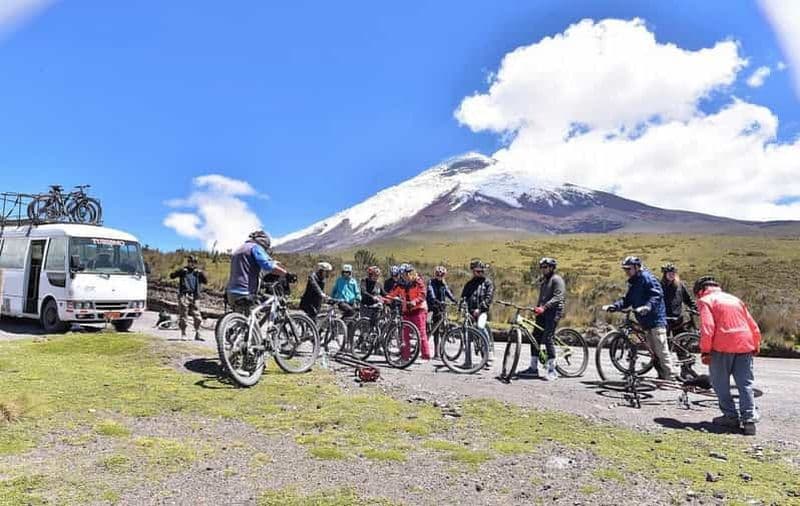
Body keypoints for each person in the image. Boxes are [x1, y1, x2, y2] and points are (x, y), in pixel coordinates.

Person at [694, 275, 761, 436]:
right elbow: (752, 324)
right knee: (745, 384)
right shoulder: (735, 299)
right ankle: (749, 420)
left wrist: (705, 351)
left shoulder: (706, 301)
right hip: (745, 344)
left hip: (721, 347)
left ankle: (730, 417)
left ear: (701, 291)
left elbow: (707, 328)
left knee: (720, 384)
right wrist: (756, 342)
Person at [602, 256, 674, 380]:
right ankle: (661, 376)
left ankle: (670, 377)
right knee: (653, 352)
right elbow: (627, 300)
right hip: (644, 320)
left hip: (655, 318)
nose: (626, 272)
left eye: (629, 269)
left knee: (661, 350)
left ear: (637, 267)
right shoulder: (633, 282)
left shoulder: (647, 278)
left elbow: (657, 295)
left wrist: (647, 306)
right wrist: (614, 306)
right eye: (625, 269)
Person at [518, 257, 565, 381]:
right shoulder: (544, 281)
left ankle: (552, 370)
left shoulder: (557, 280)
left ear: (551, 268)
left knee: (548, 337)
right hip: (543, 311)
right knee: (535, 337)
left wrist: (544, 307)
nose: (543, 270)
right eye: (542, 267)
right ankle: (533, 368)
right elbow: (542, 298)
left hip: (554, 311)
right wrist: (538, 308)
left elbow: (558, 297)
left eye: (545, 267)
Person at [226, 230, 288, 314]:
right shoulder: (255, 248)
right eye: (265, 248)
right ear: (263, 243)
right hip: (245, 292)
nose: (265, 250)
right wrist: (285, 273)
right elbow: (267, 265)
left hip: (231, 292)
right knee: (254, 320)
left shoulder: (239, 249)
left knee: (241, 321)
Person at [387, 264, 432, 360]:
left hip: (419, 309)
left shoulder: (418, 281)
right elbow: (392, 294)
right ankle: (405, 356)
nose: (404, 276)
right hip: (406, 310)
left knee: (421, 333)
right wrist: (385, 300)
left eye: (405, 274)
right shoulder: (400, 284)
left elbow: (423, 294)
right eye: (402, 274)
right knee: (405, 334)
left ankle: (425, 355)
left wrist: (415, 301)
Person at [461, 259, 495, 359]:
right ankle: (468, 360)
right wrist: (462, 306)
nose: (481, 273)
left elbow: (488, 298)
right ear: (473, 271)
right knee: (467, 332)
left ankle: (488, 352)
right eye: (478, 271)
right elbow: (464, 297)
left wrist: (480, 309)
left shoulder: (488, 283)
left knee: (481, 326)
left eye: (482, 271)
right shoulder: (469, 284)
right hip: (470, 312)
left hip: (482, 312)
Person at [169, 255, 207, 340]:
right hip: (184, 295)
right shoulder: (183, 270)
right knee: (183, 315)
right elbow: (171, 276)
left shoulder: (197, 273)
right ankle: (183, 333)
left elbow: (205, 281)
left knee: (197, 316)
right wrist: (180, 271)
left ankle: (198, 333)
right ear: (188, 262)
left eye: (194, 262)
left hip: (195, 296)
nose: (192, 264)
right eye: (190, 262)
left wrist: (202, 274)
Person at [426, 266, 457, 359]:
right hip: (433, 307)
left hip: (441, 308)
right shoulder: (431, 282)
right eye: (438, 274)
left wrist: (455, 300)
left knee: (440, 330)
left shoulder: (443, 283)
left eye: (442, 274)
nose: (440, 276)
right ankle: (435, 352)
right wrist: (435, 300)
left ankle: (440, 351)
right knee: (433, 330)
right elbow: (431, 293)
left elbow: (448, 292)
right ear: (435, 274)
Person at [660, 263, 698, 335]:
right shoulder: (660, 286)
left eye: (673, 273)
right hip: (665, 318)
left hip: (678, 318)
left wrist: (694, 307)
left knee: (680, 339)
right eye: (669, 273)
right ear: (665, 275)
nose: (672, 275)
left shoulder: (680, 285)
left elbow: (687, 299)